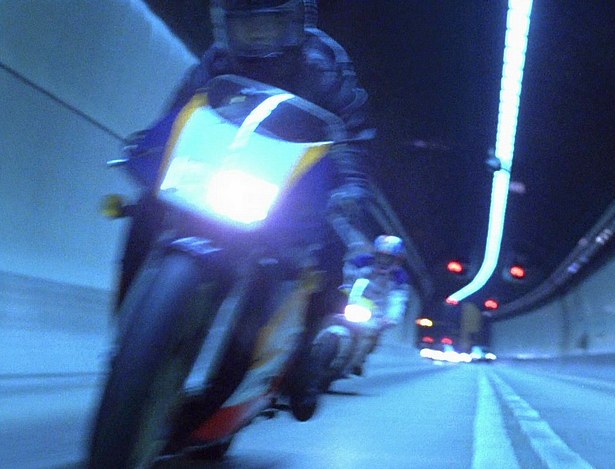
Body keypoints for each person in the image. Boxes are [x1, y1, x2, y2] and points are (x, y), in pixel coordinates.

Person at [116, 0, 376, 420]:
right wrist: (152, 144)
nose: (257, 35)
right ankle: (129, 335)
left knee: (328, 250)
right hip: (223, 166)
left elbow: (351, 132)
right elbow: (183, 109)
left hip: (290, 179)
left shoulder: (325, 65)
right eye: (245, 25)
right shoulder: (217, 60)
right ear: (226, 26)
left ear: (295, 22)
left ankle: (304, 363)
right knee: (147, 207)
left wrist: (351, 186)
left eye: (269, 23)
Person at [340, 234, 411, 376]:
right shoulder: (361, 261)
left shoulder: (400, 278)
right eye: (380, 256)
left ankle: (357, 362)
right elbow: (348, 274)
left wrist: (392, 317)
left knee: (371, 334)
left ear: (397, 260)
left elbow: (398, 299)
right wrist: (345, 287)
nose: (383, 261)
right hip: (352, 300)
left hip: (376, 311)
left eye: (388, 258)